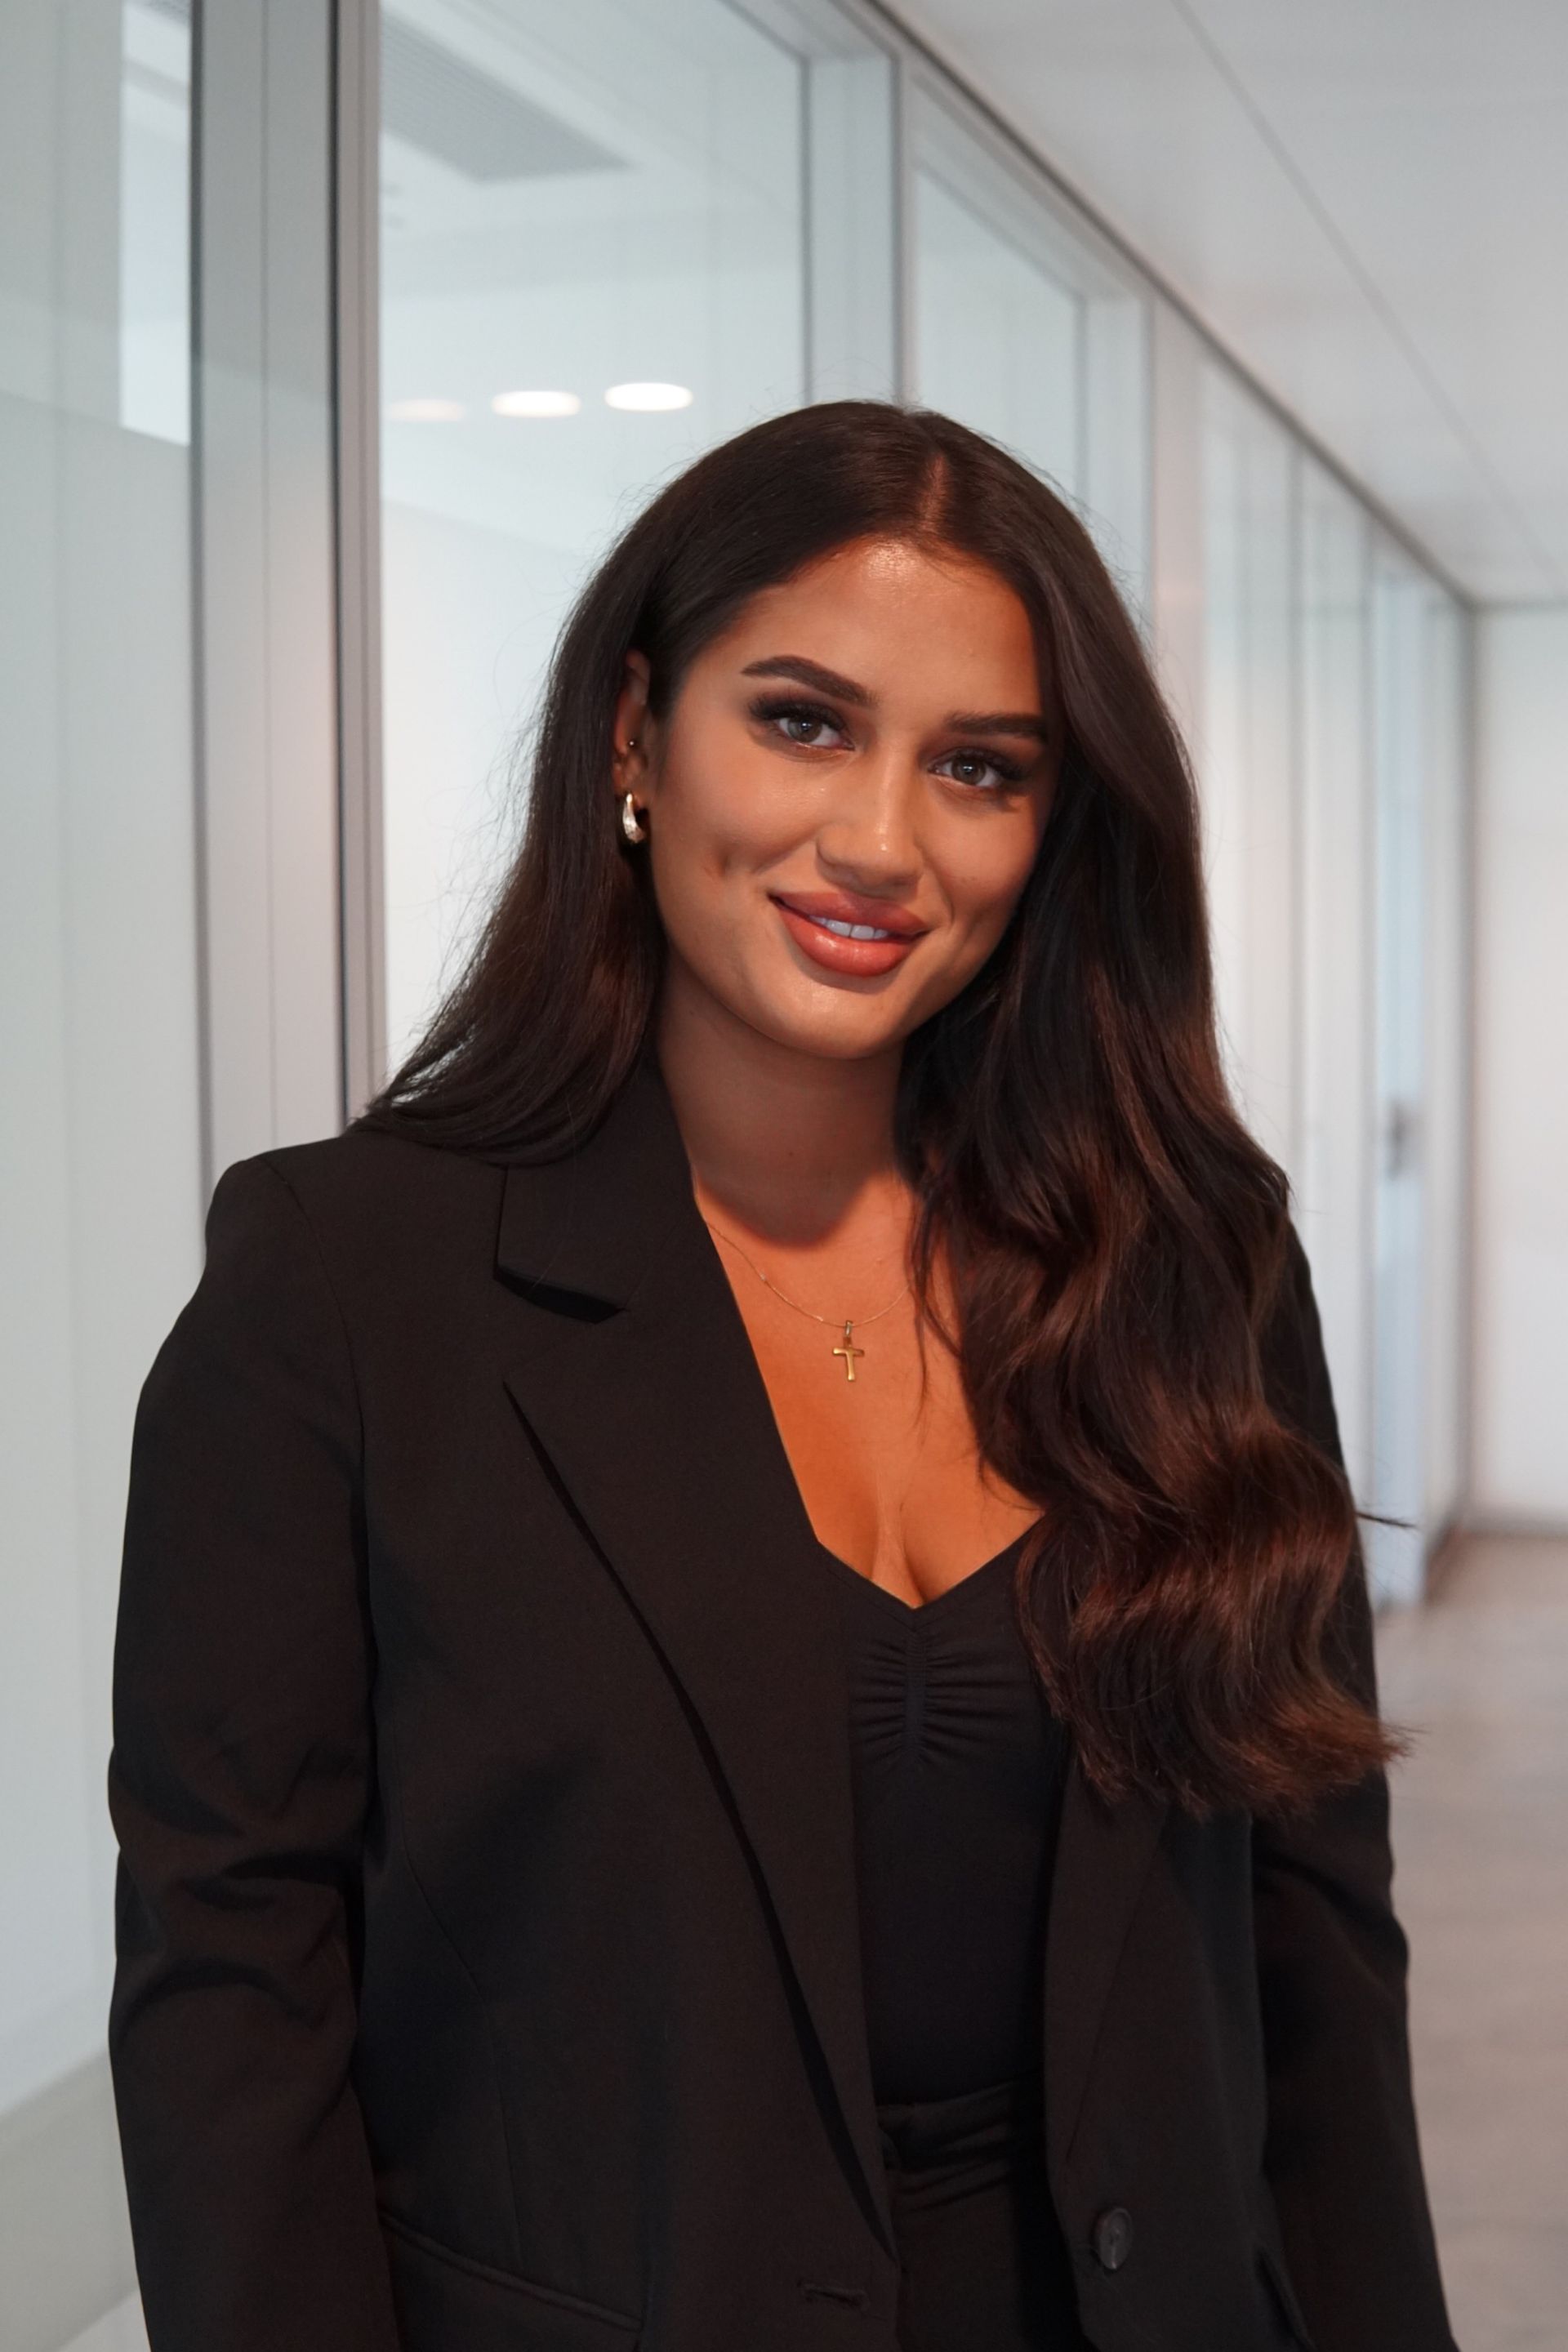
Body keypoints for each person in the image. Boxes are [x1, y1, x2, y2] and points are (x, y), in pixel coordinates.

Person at [107, 400, 1458, 2352]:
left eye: (979, 767)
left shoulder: (1195, 1265)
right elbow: (235, 1977)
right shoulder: (345, 1286)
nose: (882, 842)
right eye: (805, 720)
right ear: (642, 734)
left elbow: (1315, 1934)